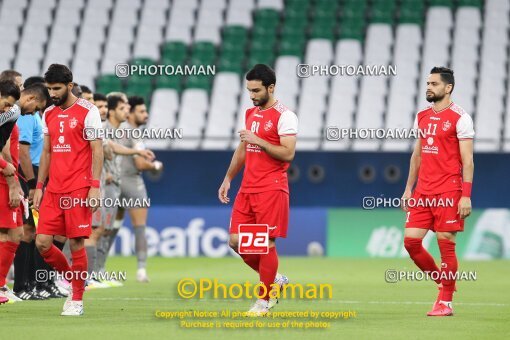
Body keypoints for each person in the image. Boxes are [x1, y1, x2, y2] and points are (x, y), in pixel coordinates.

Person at [218, 64, 298, 316]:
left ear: (270, 87)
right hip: (247, 188)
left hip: (271, 189)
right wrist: (228, 178)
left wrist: (259, 141)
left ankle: (264, 301)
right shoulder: (250, 113)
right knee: (234, 242)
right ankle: (275, 280)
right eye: (249, 91)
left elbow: (288, 153)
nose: (251, 96)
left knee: (265, 245)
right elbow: (242, 149)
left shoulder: (285, 116)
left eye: (256, 90)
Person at [401, 67, 475, 317]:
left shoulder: (460, 117)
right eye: (428, 83)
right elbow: (417, 155)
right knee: (411, 242)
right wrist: (408, 189)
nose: (429, 87)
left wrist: (465, 195)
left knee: (447, 245)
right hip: (423, 191)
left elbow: (468, 161)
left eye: (434, 83)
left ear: (448, 88)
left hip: (449, 191)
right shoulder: (421, 116)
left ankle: (445, 302)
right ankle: (443, 282)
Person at [33, 64, 103, 316]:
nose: (52, 93)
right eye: (49, 88)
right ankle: (76, 280)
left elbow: (97, 150)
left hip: (79, 187)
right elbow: (47, 151)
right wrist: (40, 186)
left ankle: (76, 299)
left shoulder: (89, 111)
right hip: (53, 189)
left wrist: (94, 187)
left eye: (57, 88)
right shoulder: (48, 113)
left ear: (70, 86)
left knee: (75, 243)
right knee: (42, 243)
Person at [0, 81, 49, 304]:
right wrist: (11, 175)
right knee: (18, 233)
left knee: (16, 233)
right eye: (37, 108)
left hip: (11, 175)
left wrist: (13, 177)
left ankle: (5, 285)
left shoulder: (12, 113)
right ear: (31, 99)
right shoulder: (14, 112)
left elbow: (5, 146)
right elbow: (14, 149)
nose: (35, 113)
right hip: (8, 176)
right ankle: (10, 284)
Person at [115, 96, 161, 283]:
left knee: (108, 228)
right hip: (132, 184)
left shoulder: (118, 128)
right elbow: (141, 163)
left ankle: (96, 271)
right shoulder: (133, 132)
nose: (146, 115)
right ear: (131, 113)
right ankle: (141, 270)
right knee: (139, 228)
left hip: (113, 183)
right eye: (141, 111)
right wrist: (156, 166)